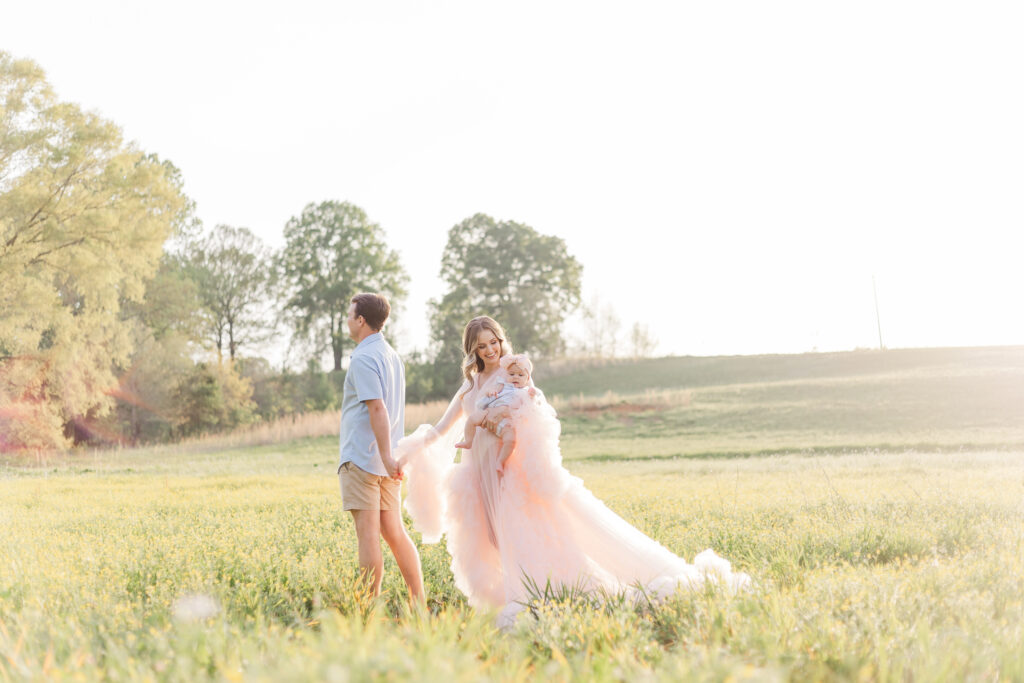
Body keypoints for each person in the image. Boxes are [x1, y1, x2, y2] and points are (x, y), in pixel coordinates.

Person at [395, 316, 749, 627]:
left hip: (510, 474)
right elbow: (442, 429)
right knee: (495, 541)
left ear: (501, 341)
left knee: (527, 536)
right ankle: (523, 595)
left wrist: (518, 407)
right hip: (479, 476)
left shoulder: (514, 374)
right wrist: (408, 454)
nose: (490, 350)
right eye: (481, 346)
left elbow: (533, 411)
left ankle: (539, 599)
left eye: (494, 342)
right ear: (471, 350)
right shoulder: (469, 387)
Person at [337, 292, 424, 604]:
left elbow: (377, 408)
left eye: (350, 315)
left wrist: (385, 456)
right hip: (388, 462)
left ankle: (367, 611)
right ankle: (419, 604)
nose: (347, 321)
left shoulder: (363, 357)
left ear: (361, 320)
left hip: (364, 459)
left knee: (368, 537)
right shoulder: (391, 356)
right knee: (395, 532)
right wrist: (390, 457)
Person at [453, 353, 540, 476]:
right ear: (507, 375)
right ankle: (468, 441)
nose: (516, 377)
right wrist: (491, 391)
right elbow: (492, 389)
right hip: (489, 413)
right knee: (472, 419)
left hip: (506, 424)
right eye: (512, 374)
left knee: (510, 440)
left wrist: (532, 394)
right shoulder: (503, 384)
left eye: (520, 375)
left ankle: (500, 461)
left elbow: (531, 404)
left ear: (527, 378)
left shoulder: (525, 391)